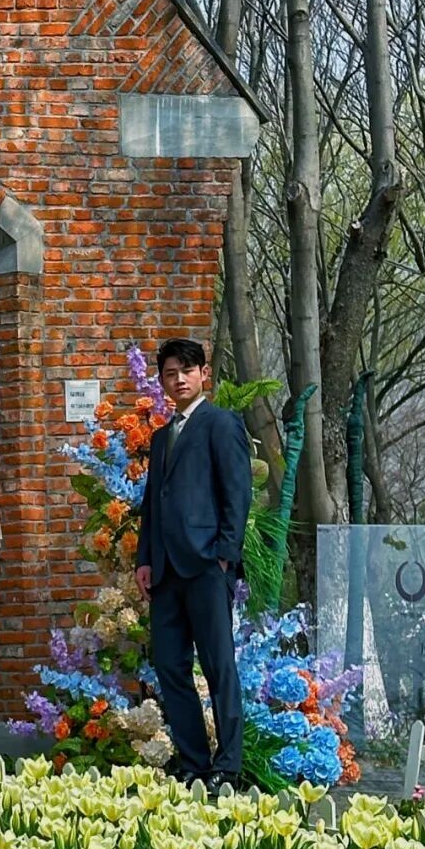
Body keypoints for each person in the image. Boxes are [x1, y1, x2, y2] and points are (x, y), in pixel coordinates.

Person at [134, 337, 251, 790]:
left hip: (206, 566)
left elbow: (237, 494)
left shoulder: (221, 424)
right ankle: (195, 764)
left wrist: (224, 556)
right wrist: (145, 559)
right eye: (170, 373)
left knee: (219, 667)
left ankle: (229, 766)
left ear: (204, 374)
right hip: (165, 572)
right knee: (169, 666)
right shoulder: (161, 437)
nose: (179, 379)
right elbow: (153, 503)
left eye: (187, 370)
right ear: (162, 381)